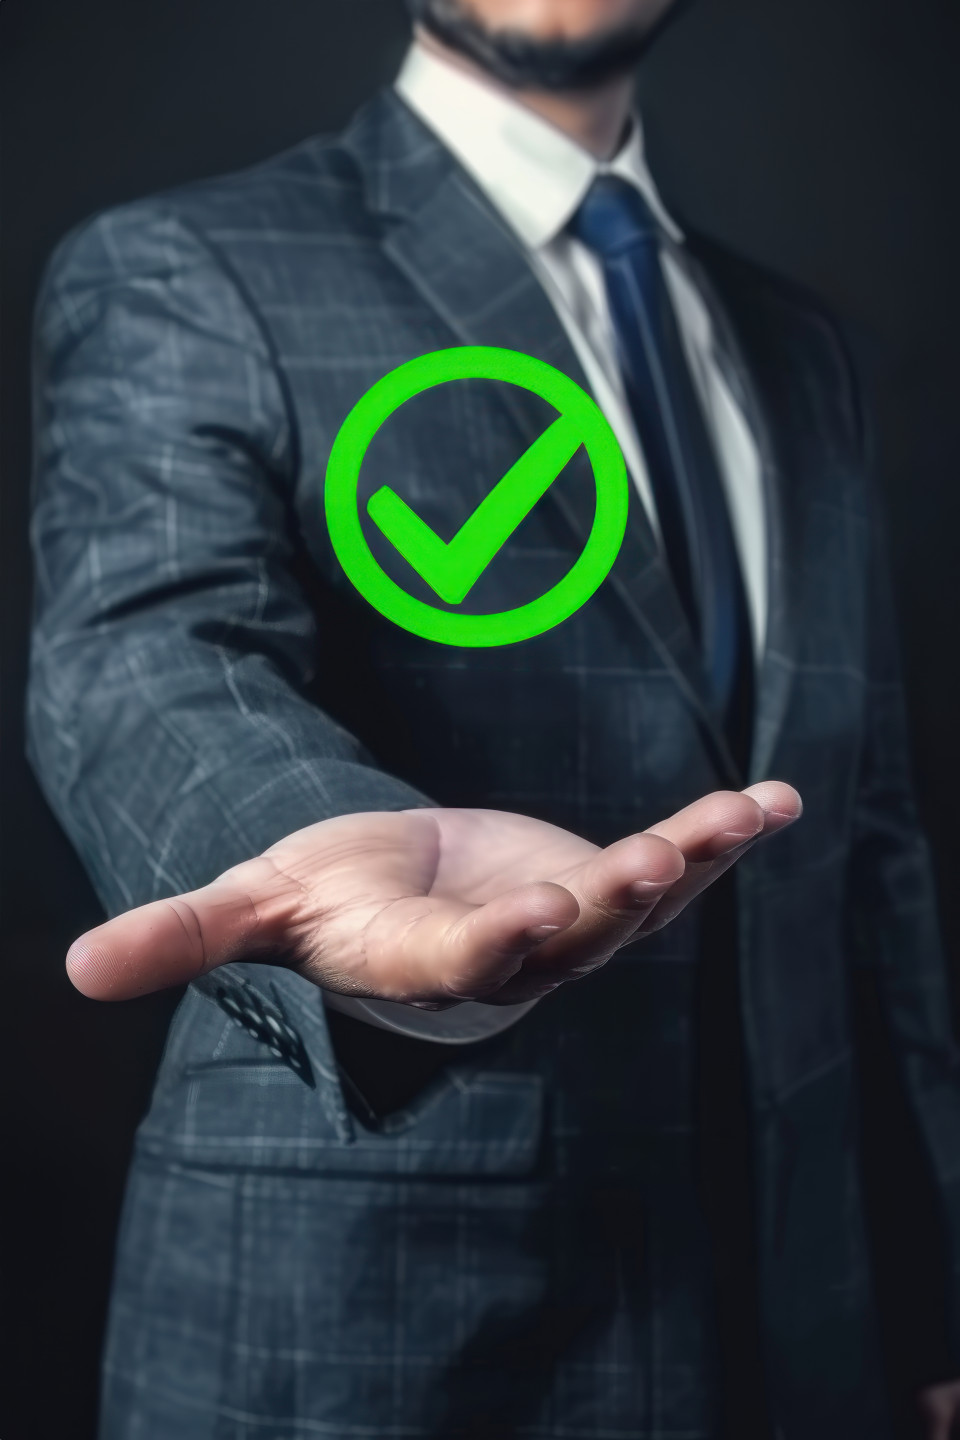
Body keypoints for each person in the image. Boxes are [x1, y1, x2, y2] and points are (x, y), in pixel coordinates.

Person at [26, 0, 960, 1435]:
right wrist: (303, 836)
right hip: (389, 1331)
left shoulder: (802, 352)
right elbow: (144, 650)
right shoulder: (190, 267)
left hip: (801, 1328)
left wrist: (926, 1294)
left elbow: (869, 842)